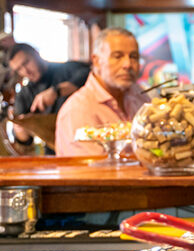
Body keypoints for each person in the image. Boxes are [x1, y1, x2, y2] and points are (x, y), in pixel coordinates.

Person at [54, 28, 150, 156]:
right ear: (96, 61)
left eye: (133, 57)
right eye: (117, 56)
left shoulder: (140, 96)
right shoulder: (77, 110)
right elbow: (93, 172)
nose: (127, 64)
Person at [7, 43, 90, 147]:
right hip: (55, 151)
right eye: (19, 69)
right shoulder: (24, 94)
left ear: (36, 54)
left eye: (26, 62)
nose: (26, 71)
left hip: (86, 142)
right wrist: (21, 127)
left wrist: (56, 91)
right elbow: (24, 141)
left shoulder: (67, 69)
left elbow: (90, 75)